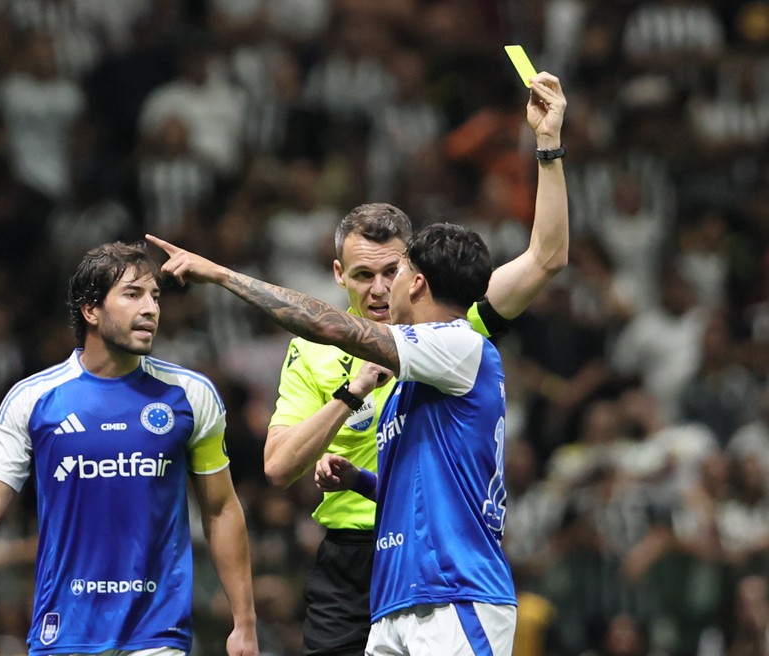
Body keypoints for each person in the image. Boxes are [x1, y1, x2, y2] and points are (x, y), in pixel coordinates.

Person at [148, 70, 566, 656]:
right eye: (363, 274)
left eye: (391, 272)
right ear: (340, 273)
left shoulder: (454, 335)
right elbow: (286, 465)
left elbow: (545, 257)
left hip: (447, 579)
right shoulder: (381, 377)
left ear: (416, 274)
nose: (378, 289)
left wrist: (548, 143)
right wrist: (355, 456)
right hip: (375, 564)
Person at [0, 242, 259, 656]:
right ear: (91, 310)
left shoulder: (190, 395)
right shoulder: (34, 399)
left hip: (156, 632)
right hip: (63, 629)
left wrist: (244, 622)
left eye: (155, 296)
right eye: (132, 294)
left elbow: (221, 509)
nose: (151, 309)